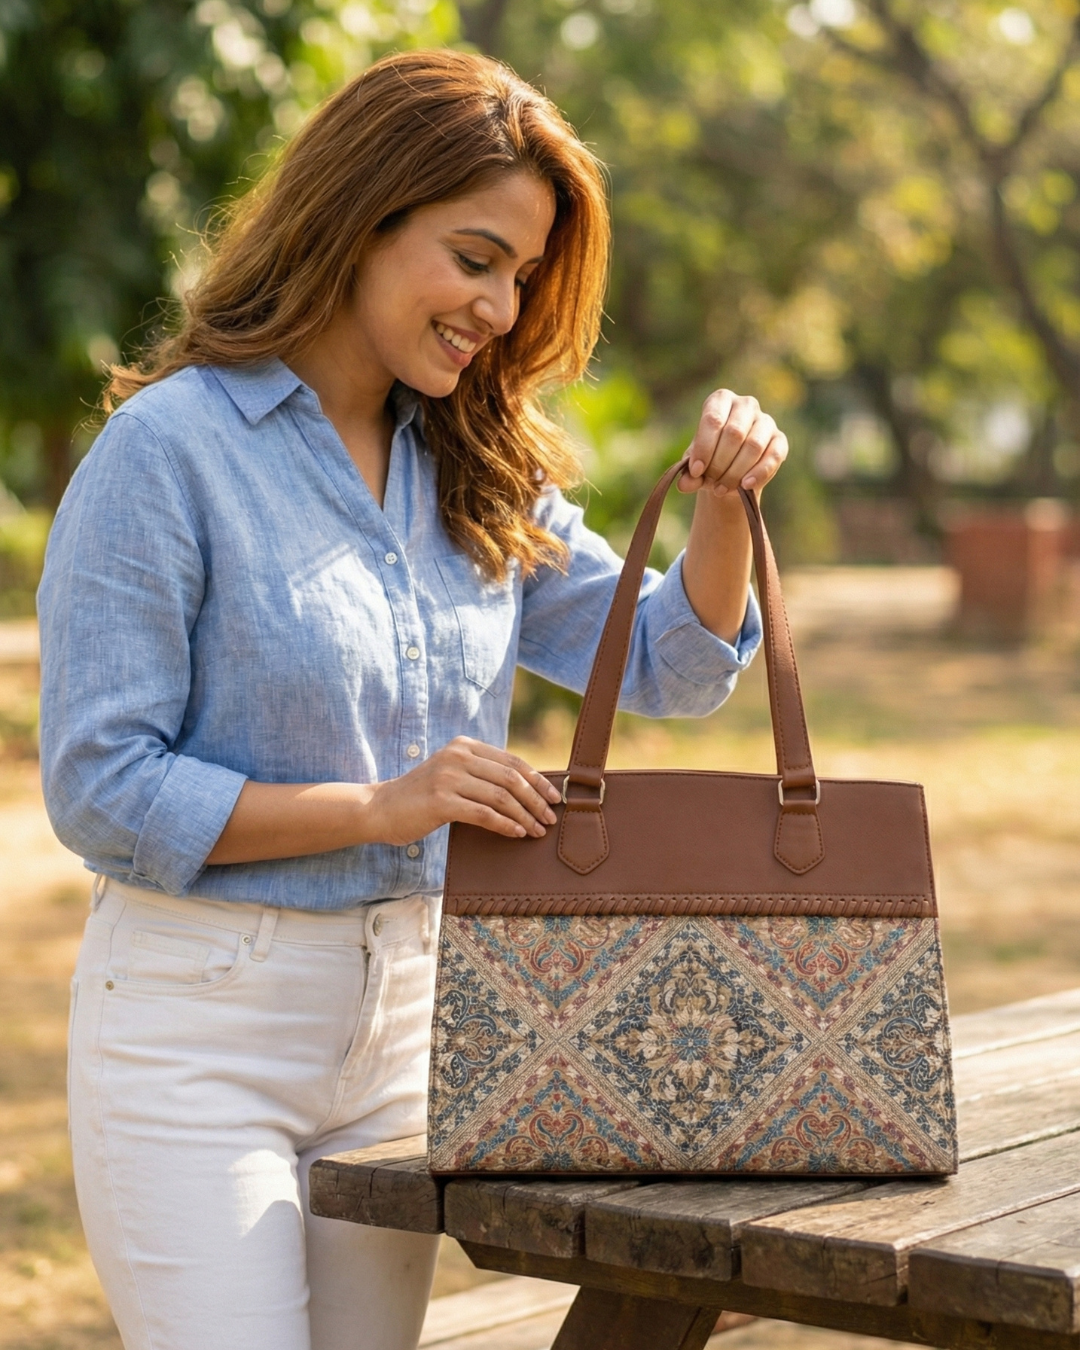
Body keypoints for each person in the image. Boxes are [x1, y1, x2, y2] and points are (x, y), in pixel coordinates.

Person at [37, 48, 788, 1350]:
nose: (500, 307)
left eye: (523, 276)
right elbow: (102, 787)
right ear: (360, 218)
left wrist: (725, 504)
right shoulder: (168, 452)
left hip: (409, 1034)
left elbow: (669, 664)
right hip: (196, 1030)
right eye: (475, 258)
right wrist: (381, 806)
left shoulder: (474, 466)